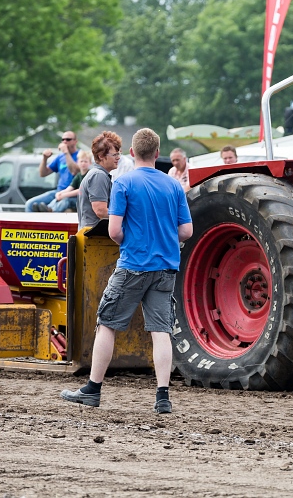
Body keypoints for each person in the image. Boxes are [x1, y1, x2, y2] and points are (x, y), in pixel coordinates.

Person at [60, 128, 193, 414]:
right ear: (158, 154)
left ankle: (93, 389)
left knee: (107, 322)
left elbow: (114, 230)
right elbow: (186, 230)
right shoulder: (173, 186)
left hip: (133, 264)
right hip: (166, 267)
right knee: (161, 330)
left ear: (132, 153)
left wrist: (130, 241)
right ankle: (162, 396)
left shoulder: (124, 183)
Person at [26, 131, 81, 211]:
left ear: (75, 141)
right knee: (30, 204)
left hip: (73, 195)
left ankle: (50, 212)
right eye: (63, 139)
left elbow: (74, 171)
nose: (64, 142)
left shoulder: (81, 155)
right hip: (58, 191)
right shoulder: (60, 157)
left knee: (63, 203)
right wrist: (45, 158)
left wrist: (66, 153)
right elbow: (43, 173)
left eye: (68, 139)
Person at [77, 132, 122, 230]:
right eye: (114, 154)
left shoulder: (98, 174)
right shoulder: (98, 176)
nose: (118, 157)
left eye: (118, 154)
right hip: (94, 237)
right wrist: (126, 218)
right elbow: (100, 211)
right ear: (101, 156)